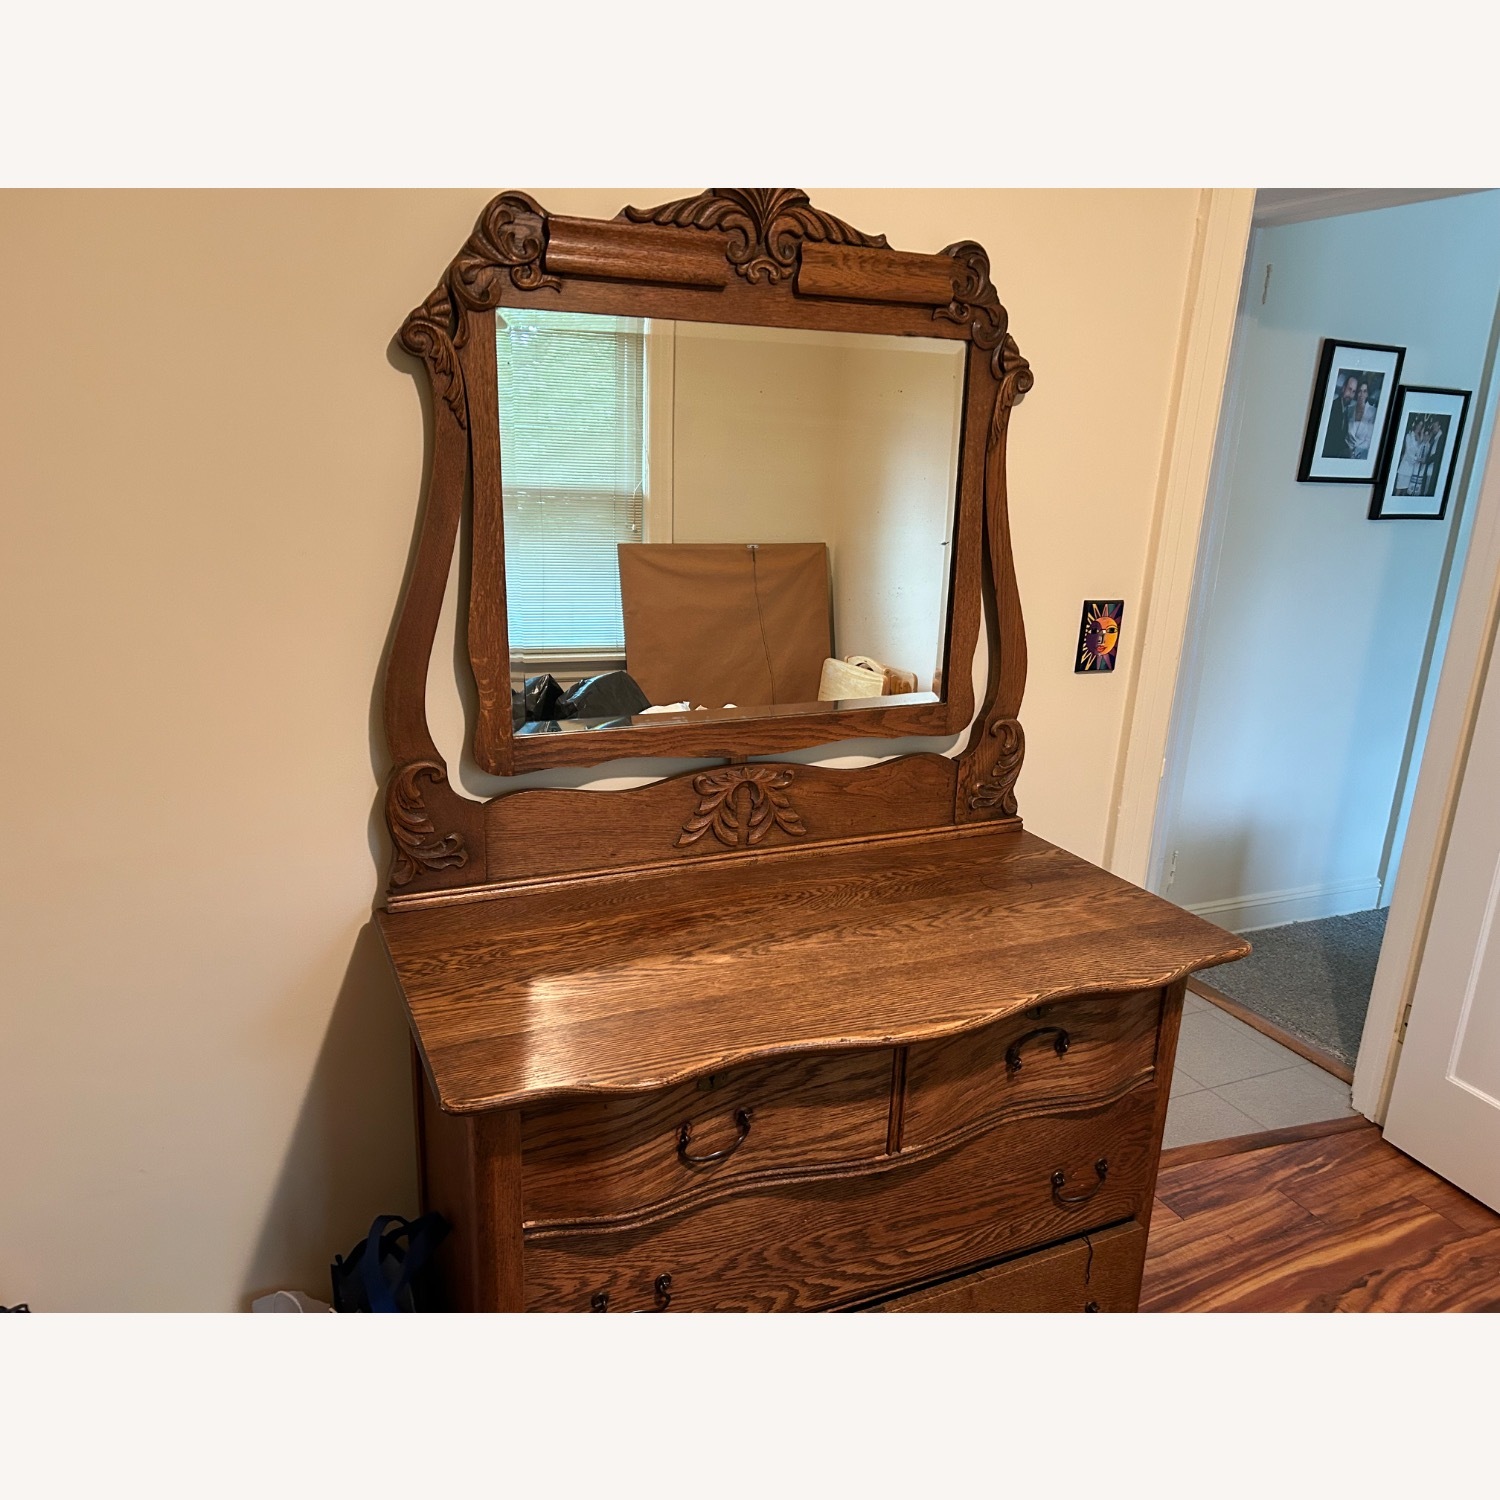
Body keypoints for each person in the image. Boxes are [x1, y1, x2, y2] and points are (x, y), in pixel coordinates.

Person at [1322, 372, 1359, 459]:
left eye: (1353, 392)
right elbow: (1332, 439)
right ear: (1343, 388)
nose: (1350, 394)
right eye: (1349, 389)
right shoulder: (1333, 408)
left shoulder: (1345, 410)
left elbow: (1341, 437)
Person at [1347, 377, 1378, 461]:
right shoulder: (1350, 409)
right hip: (1345, 452)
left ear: (1367, 394)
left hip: (1361, 456)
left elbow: (1369, 441)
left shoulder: (1373, 412)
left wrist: (1354, 451)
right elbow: (1345, 435)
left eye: (1365, 391)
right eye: (1359, 391)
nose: (1362, 394)